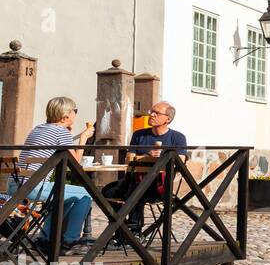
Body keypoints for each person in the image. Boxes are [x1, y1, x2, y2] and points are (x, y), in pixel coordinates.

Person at [9, 96, 96, 252]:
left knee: (66, 198)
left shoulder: (38, 128)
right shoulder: (61, 132)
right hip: (34, 186)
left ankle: (45, 239)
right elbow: (75, 163)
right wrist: (83, 138)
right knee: (86, 194)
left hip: (15, 185)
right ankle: (70, 240)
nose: (76, 114)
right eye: (74, 111)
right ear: (65, 116)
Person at [104, 102, 188, 232]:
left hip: (159, 186)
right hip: (133, 180)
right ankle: (122, 227)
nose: (151, 115)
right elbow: (129, 158)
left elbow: (181, 162)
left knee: (137, 191)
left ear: (168, 119)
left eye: (156, 113)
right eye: (151, 111)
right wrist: (146, 155)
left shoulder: (177, 138)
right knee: (106, 191)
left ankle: (134, 230)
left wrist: (163, 158)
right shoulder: (139, 134)